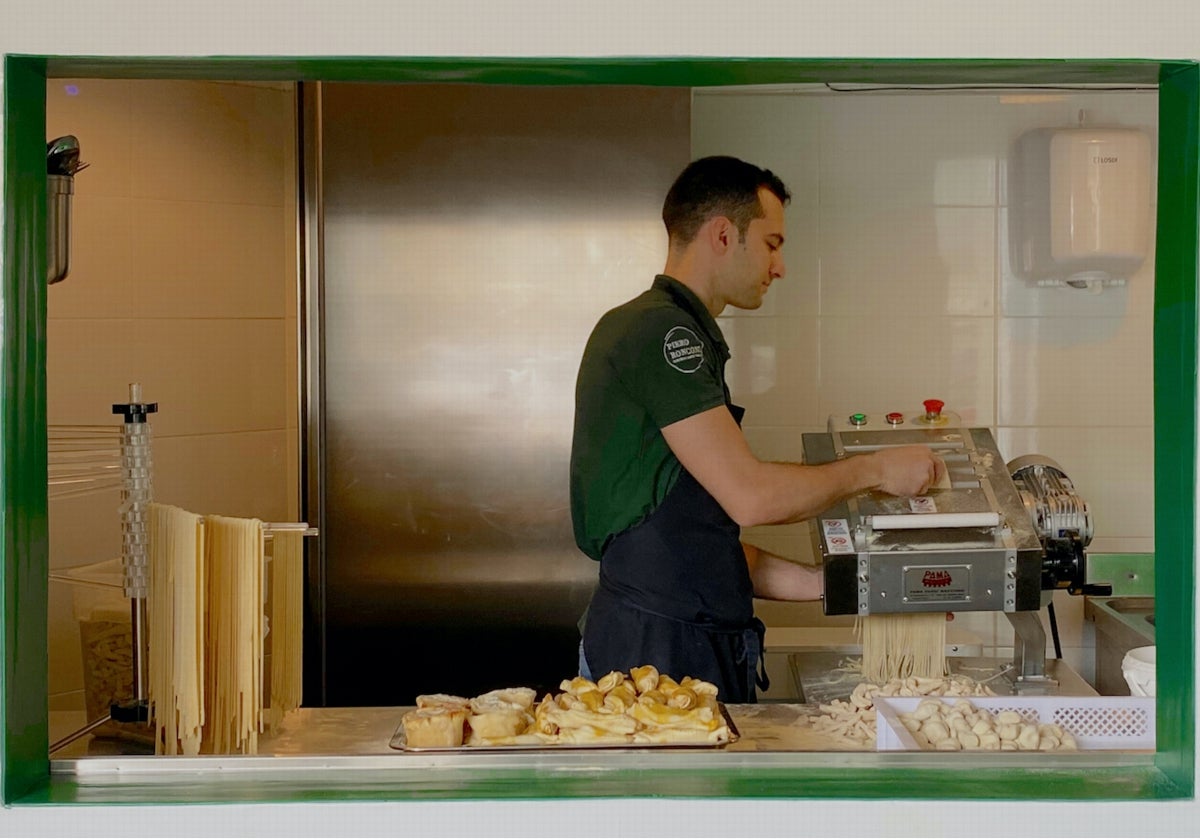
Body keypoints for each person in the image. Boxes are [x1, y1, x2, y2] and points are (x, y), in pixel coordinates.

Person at [568, 155, 943, 703]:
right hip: (652, 660)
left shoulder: (675, 332)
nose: (780, 265)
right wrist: (878, 469)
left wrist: (854, 584)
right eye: (772, 243)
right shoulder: (662, 332)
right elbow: (751, 497)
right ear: (724, 234)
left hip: (683, 643)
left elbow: (697, 545)